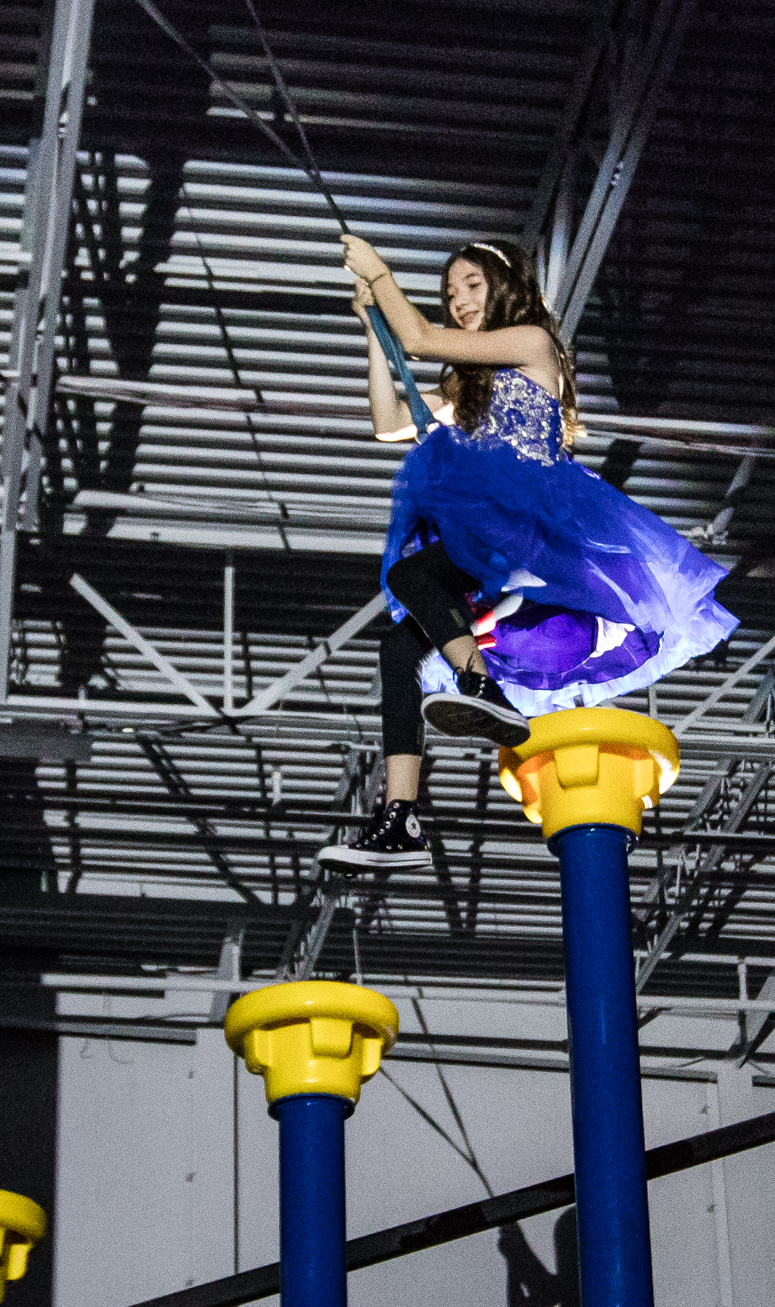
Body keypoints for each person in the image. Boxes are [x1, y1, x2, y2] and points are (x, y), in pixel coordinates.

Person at [317, 235, 740, 870]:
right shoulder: (470, 392)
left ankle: (481, 684)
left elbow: (423, 341)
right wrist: (374, 328)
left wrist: (381, 275)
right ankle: (399, 816)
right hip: (487, 538)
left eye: (472, 287)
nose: (458, 300)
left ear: (505, 287)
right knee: (398, 649)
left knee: (408, 573)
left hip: (529, 524)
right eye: (451, 291)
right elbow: (386, 420)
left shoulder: (531, 345)